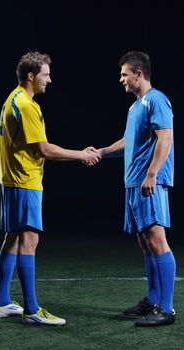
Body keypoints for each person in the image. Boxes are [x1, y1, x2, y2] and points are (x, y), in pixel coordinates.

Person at [0, 50, 101, 326]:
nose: (49, 80)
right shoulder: (28, 106)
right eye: (46, 74)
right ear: (31, 76)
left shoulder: (13, 97)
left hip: (11, 179)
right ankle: (32, 310)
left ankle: (3, 302)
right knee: (29, 239)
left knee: (14, 237)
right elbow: (44, 150)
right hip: (24, 180)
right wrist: (82, 155)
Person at [97, 51, 176, 327]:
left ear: (138, 74)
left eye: (124, 74)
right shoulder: (135, 107)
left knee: (157, 240)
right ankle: (152, 300)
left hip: (148, 182)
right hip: (133, 183)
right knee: (145, 243)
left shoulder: (156, 100)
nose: (121, 79)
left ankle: (166, 309)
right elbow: (128, 141)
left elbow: (165, 138)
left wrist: (152, 174)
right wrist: (102, 151)